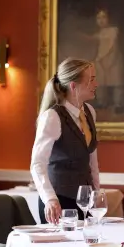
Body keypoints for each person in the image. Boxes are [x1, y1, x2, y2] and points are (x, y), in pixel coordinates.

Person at [30, 57, 101, 224]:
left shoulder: (89, 112)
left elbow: (92, 160)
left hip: (86, 202)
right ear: (73, 86)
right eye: (91, 80)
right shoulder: (53, 116)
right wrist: (50, 199)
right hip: (59, 203)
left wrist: (96, 192)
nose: (96, 84)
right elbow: (37, 164)